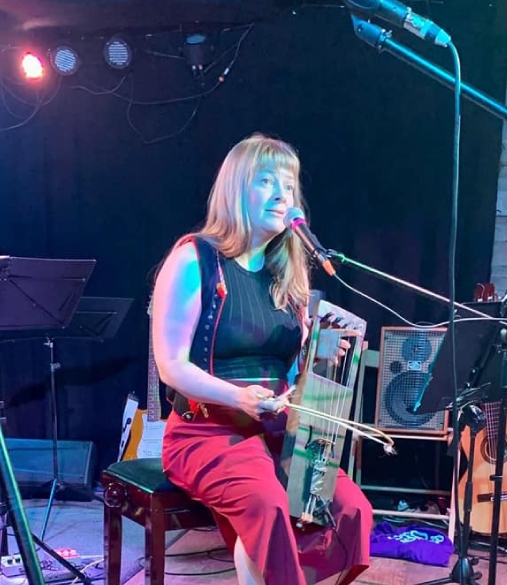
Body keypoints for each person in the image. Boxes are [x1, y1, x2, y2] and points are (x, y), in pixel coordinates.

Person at [151, 133, 373, 585]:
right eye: (267, 181)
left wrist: (325, 356)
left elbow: (294, 369)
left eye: (289, 186)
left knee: (351, 509)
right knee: (267, 504)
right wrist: (239, 397)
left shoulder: (287, 274)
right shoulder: (194, 259)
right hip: (206, 431)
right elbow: (170, 366)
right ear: (236, 188)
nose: (282, 195)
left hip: (278, 431)